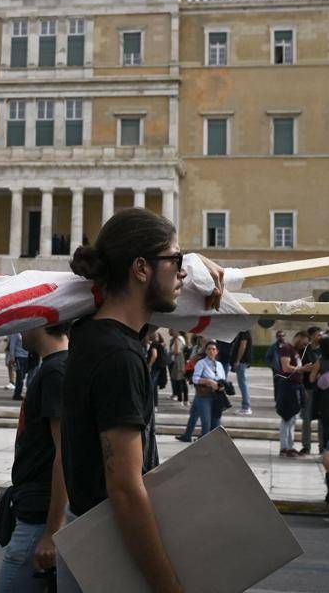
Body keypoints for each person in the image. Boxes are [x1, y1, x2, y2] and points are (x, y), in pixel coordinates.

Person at [62, 207, 224, 593]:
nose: (183, 273)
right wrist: (167, 587)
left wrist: (192, 263)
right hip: (108, 550)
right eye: (176, 261)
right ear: (140, 268)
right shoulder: (120, 358)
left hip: (84, 535)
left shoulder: (89, 332)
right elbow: (124, 488)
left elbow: (142, 313)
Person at [0, 321, 69, 591]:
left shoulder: (55, 372)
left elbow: (64, 454)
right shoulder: (53, 367)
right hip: (35, 507)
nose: (19, 330)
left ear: (41, 322)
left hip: (40, 515)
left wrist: (52, 531)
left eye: (25, 321)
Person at [267, 330, 302, 457]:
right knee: (287, 417)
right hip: (288, 387)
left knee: (292, 418)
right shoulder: (286, 349)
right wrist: (301, 369)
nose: (281, 337)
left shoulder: (294, 350)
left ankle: (289, 446)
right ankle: (284, 447)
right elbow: (285, 367)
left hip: (294, 386)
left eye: (283, 336)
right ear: (298, 337)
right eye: (279, 336)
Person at [190, 340, 228, 437]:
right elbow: (195, 379)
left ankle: (213, 443)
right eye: (209, 349)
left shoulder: (219, 365)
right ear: (206, 351)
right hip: (205, 396)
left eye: (213, 349)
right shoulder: (201, 363)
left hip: (217, 396)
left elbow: (223, 379)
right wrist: (209, 381)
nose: (211, 351)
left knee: (216, 422)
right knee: (206, 422)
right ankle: (203, 442)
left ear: (217, 351)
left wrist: (222, 386)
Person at [297, 326, 321, 454]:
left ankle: (323, 446)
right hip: (308, 388)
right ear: (311, 336)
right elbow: (302, 367)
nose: (320, 337)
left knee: (322, 419)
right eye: (317, 335)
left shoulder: (324, 349)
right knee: (306, 418)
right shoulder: (305, 351)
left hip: (321, 389)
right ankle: (306, 446)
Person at [230, 329, 253, 415]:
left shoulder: (244, 332)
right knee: (243, 383)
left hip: (242, 361)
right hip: (242, 361)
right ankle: (246, 406)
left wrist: (237, 360)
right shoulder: (244, 331)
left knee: (242, 384)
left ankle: (246, 407)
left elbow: (243, 345)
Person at [167, 330, 188, 406]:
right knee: (179, 380)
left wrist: (170, 352)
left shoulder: (178, 339)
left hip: (179, 360)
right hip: (178, 360)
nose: (171, 332)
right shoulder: (180, 338)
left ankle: (182, 400)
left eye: (172, 330)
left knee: (180, 380)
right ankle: (183, 399)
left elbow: (177, 351)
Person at [7, 332, 29, 400]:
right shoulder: (15, 333)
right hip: (18, 357)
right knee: (20, 377)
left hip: (27, 357)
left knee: (23, 377)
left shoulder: (27, 331)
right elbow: (12, 345)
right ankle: (17, 394)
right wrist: (12, 357)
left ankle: (19, 393)